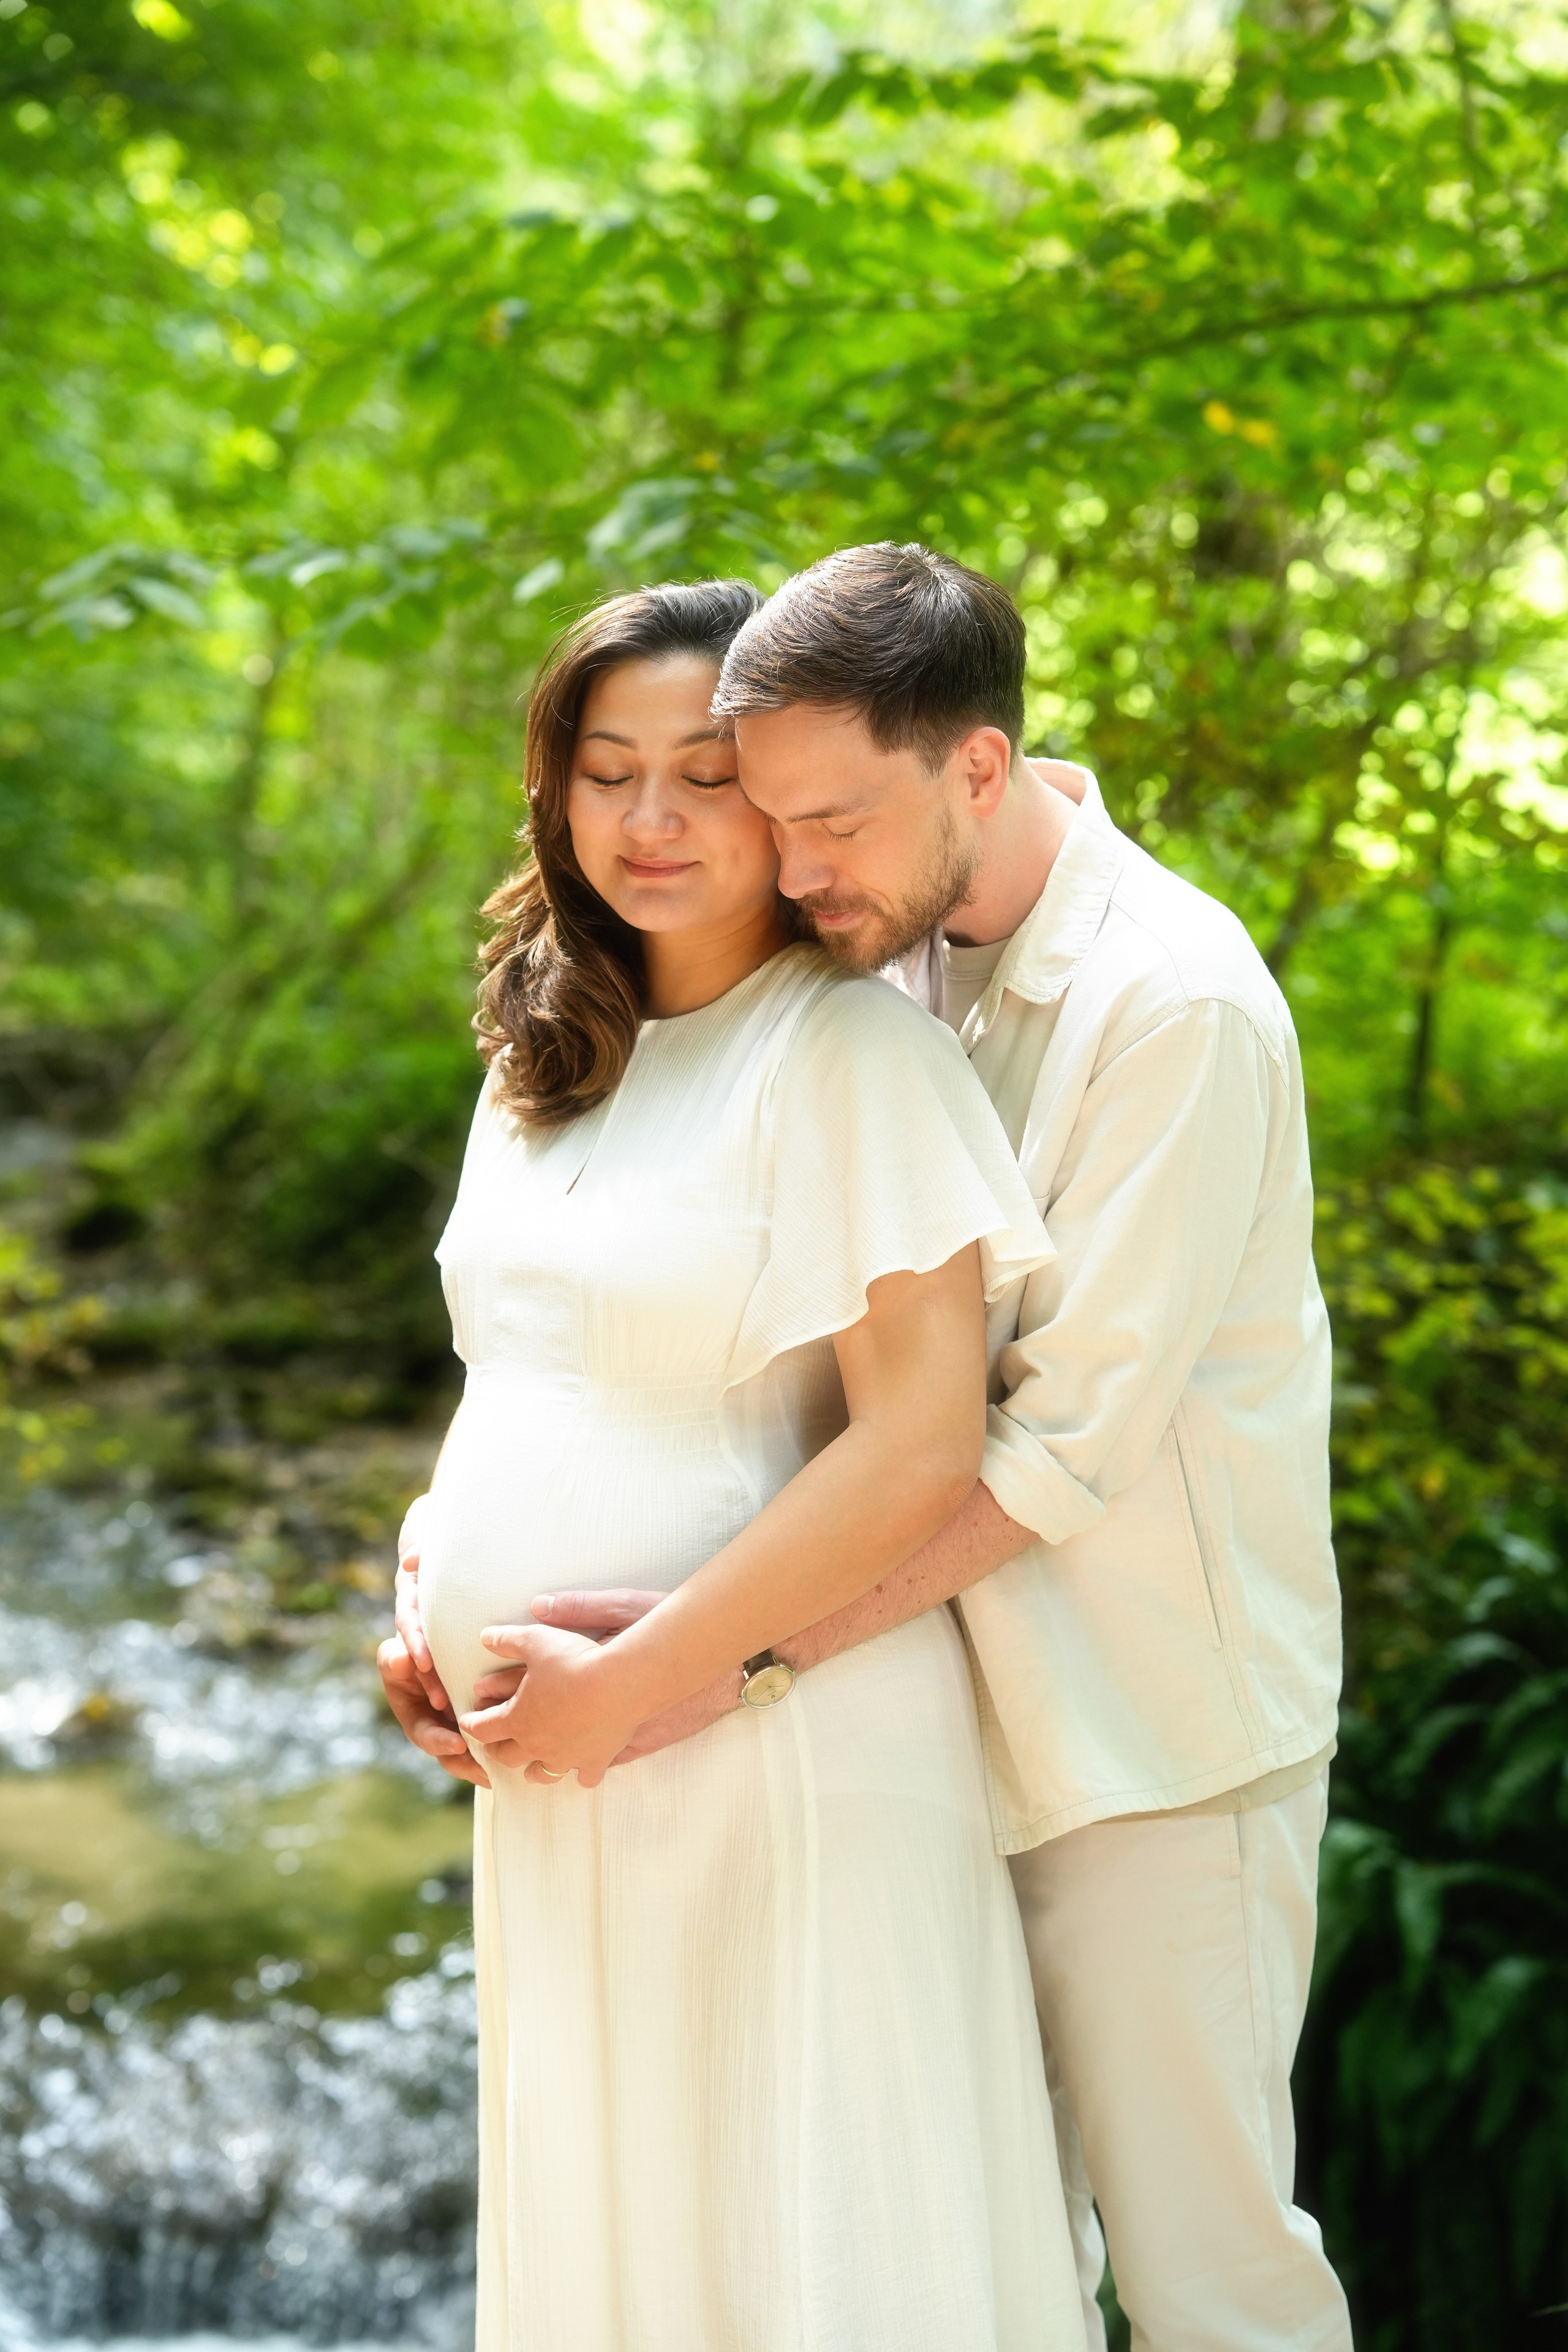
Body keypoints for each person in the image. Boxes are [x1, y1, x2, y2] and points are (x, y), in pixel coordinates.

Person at [395, 543, 1354, 2350]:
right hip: (919, 1714)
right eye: (782, 817)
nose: (795, 862)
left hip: (1142, 1734)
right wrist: (450, 1575)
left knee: (1210, 2272)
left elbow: (1046, 1447)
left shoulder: (1176, 1007)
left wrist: (697, 1672)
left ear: (975, 769)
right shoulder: (887, 943)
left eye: (820, 819)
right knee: (984, 2259)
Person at [379, 576, 1087, 2352]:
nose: (647, 820)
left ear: (780, 798)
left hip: (759, 1741)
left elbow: (924, 1441)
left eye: (702, 775)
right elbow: (522, 1381)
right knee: (628, 2230)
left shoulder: (850, 1055)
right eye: (604, 772)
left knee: (797, 2233)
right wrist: (422, 1596)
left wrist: (641, 1675)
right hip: (564, 1761)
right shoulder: (544, 1061)